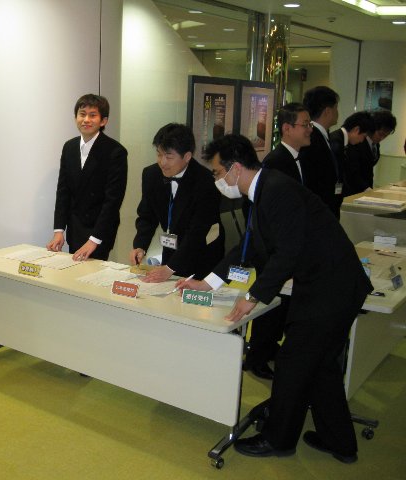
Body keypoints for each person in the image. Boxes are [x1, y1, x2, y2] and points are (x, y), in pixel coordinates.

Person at [177, 134, 372, 463]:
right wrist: (208, 282)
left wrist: (253, 296)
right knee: (320, 366)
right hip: (331, 286)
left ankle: (278, 439)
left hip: (331, 289)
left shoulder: (276, 190)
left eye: (217, 172)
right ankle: (339, 441)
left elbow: (287, 253)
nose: (216, 180)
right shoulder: (263, 189)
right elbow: (247, 248)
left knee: (292, 364)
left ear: (235, 169)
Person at [243, 103, 313, 380]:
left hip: (288, 246)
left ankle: (269, 348)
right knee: (268, 305)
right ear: (287, 128)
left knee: (281, 304)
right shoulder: (275, 162)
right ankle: (258, 356)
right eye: (304, 124)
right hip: (272, 250)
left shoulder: (299, 158)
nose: (309, 130)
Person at [129, 123, 224, 283]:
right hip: (171, 252)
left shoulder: (206, 182)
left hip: (202, 256)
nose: (162, 162)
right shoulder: (151, 174)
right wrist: (140, 245)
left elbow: (197, 231)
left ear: (187, 157)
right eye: (159, 154)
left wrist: (170, 268)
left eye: (169, 157)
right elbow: (147, 215)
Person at [47, 94, 127, 261]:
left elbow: (112, 201)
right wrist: (59, 230)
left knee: (93, 273)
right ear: (75, 117)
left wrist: (94, 240)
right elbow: (63, 192)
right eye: (82, 114)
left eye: (92, 115)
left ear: (103, 121)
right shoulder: (69, 147)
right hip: (75, 228)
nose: (86, 120)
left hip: (99, 231)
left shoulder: (115, 151)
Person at [298, 86, 343, 218]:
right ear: (328, 111)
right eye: (336, 108)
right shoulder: (311, 139)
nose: (337, 112)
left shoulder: (321, 136)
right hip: (318, 212)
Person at [345, 110, 397, 195]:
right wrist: (366, 188)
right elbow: (352, 171)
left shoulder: (375, 144)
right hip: (352, 190)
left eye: (385, 136)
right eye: (380, 134)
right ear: (372, 128)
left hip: (366, 189)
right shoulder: (358, 141)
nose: (382, 138)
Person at [329, 112, 374, 199]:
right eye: (364, 136)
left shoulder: (346, 142)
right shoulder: (336, 142)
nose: (362, 141)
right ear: (356, 129)